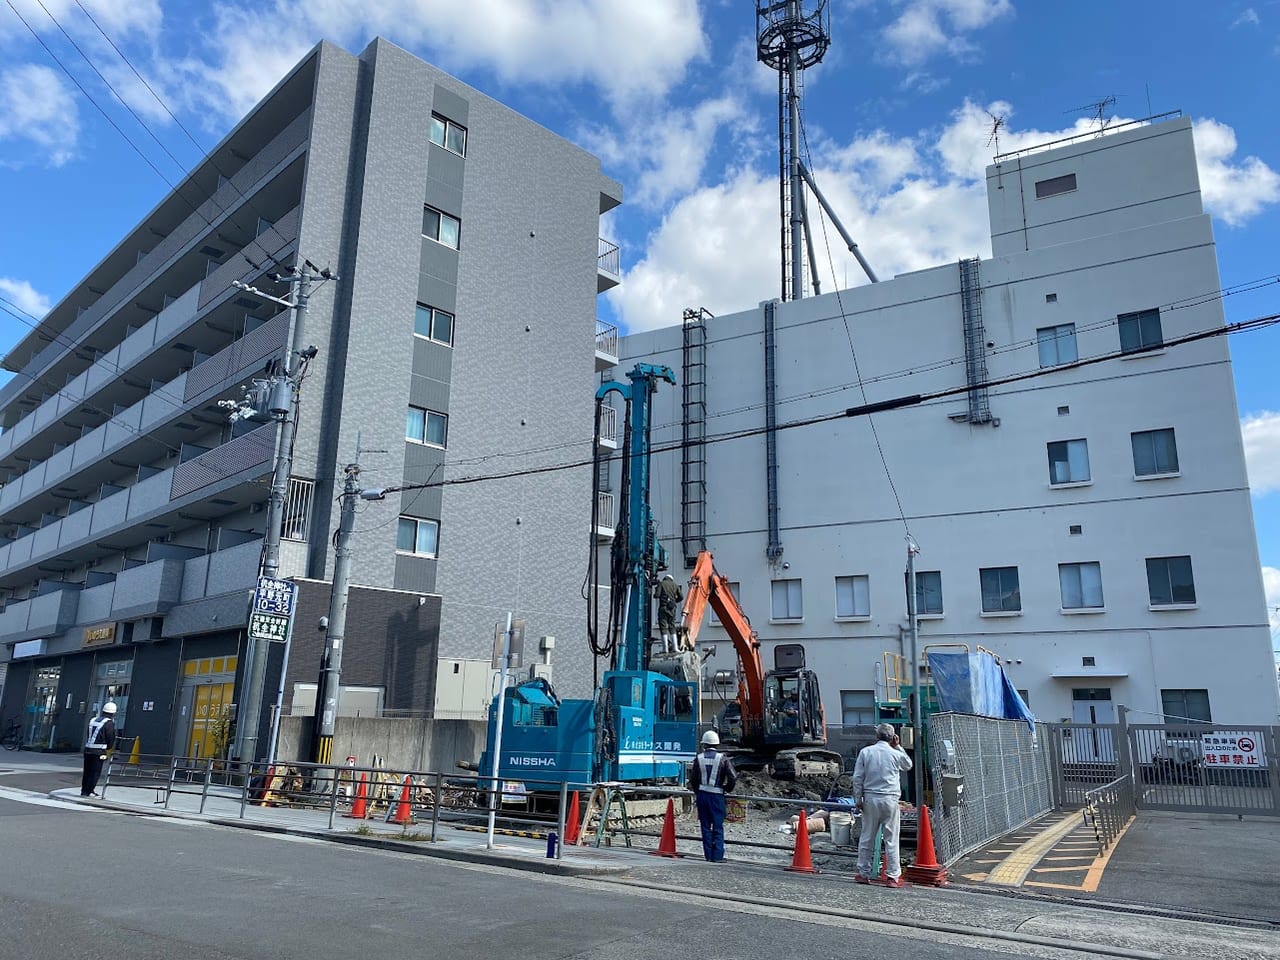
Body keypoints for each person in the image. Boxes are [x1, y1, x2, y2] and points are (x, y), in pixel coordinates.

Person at [851, 722, 913, 887]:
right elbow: (908, 764)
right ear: (893, 738)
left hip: (870, 798)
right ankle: (893, 877)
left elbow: (858, 778)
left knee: (867, 837)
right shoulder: (894, 754)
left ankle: (863, 873)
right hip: (890, 799)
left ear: (876, 736)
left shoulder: (866, 752)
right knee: (891, 839)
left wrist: (858, 799)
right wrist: (898, 746)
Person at [689, 729, 737, 862]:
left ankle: (708, 856)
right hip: (717, 796)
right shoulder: (723, 759)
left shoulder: (698, 758)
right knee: (717, 826)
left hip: (703, 796)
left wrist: (698, 791)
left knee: (705, 826)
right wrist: (726, 789)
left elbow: (693, 779)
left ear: (704, 744)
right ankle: (717, 857)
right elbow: (733, 777)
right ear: (717, 744)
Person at [81, 702, 118, 798]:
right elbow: (110, 738)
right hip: (99, 751)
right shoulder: (109, 723)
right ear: (113, 713)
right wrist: (109, 748)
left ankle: (84, 790)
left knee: (87, 771)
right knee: (95, 772)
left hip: (88, 749)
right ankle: (88, 791)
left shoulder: (93, 720)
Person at [654, 573, 683, 653]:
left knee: (663, 627)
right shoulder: (675, 585)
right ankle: (675, 648)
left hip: (663, 608)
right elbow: (681, 597)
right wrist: (674, 601)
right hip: (672, 609)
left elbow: (657, 595)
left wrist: (655, 592)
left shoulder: (661, 584)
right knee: (672, 626)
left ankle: (665, 648)